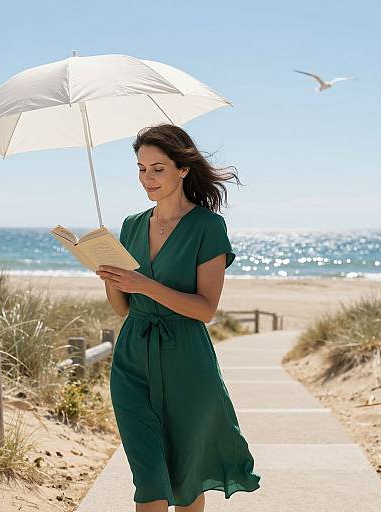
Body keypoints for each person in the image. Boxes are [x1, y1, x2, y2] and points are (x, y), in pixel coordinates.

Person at [95, 124, 261, 512]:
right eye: (140, 168)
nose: (147, 179)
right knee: (150, 481)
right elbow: (122, 308)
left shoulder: (207, 226)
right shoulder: (131, 225)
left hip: (186, 359)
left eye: (157, 168)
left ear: (182, 169)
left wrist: (143, 284)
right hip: (132, 359)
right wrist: (109, 275)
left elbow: (205, 309)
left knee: (187, 480)